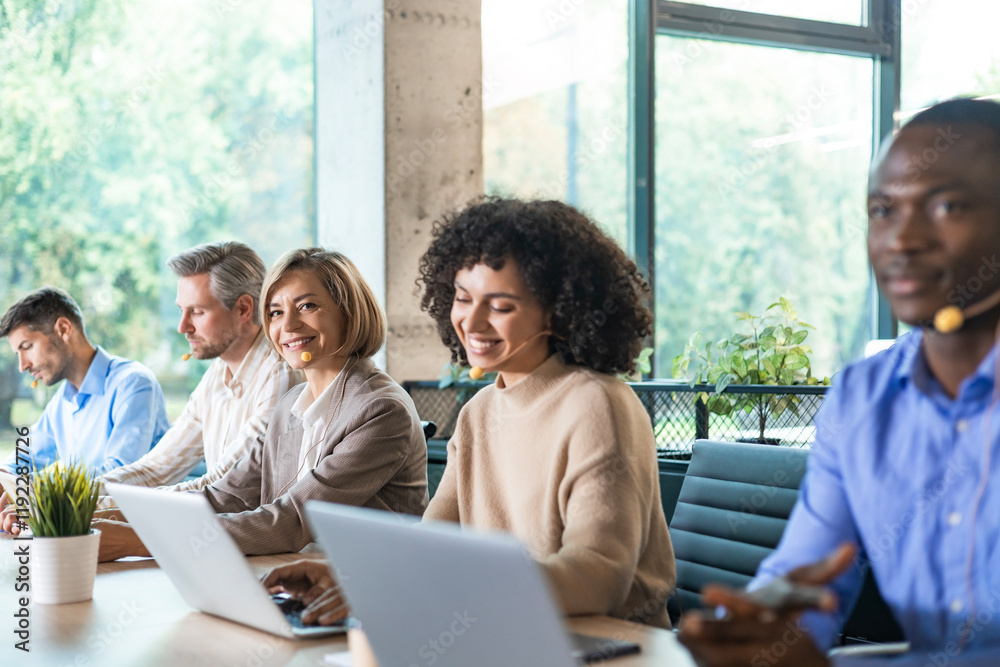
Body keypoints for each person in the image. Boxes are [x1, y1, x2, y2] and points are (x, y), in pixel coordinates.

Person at [678, 97, 1000, 665]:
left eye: (947, 205)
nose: (902, 240)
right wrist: (756, 631)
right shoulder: (862, 398)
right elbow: (805, 579)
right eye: (883, 211)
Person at [266, 198, 676, 628]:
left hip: (610, 645)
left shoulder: (598, 403)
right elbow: (432, 545)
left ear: (559, 312)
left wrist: (413, 587)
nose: (472, 323)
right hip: (502, 630)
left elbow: (597, 579)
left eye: (500, 306)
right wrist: (353, 578)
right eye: (463, 298)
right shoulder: (479, 411)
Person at [94, 248, 428, 560]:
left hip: (359, 596)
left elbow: (292, 522)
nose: (288, 326)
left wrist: (141, 537)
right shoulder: (289, 407)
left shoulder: (381, 410)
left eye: (307, 306)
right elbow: (225, 496)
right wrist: (105, 514)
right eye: (276, 312)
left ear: (348, 311)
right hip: (287, 580)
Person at [98, 242, 302, 497]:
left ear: (243, 309)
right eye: (182, 311)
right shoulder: (217, 374)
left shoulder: (281, 374)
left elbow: (222, 485)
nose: (183, 327)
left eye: (197, 312)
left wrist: (83, 509)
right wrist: (73, 496)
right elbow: (156, 469)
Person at [0, 286, 168, 483]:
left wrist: (31, 485)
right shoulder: (62, 401)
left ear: (63, 329)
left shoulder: (133, 384)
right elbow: (25, 458)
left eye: (27, 347)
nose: (22, 366)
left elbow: (119, 475)